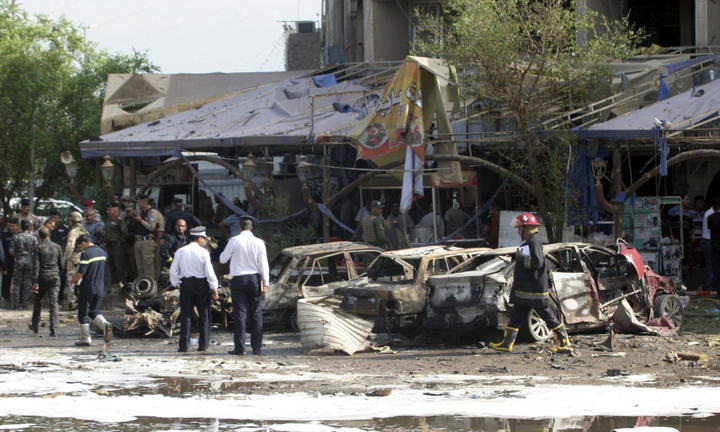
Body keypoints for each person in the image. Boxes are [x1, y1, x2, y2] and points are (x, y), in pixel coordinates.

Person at [489, 213, 571, 353]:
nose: (518, 231)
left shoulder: (533, 242)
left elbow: (537, 263)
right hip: (525, 291)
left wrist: (521, 257)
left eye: (519, 229)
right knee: (516, 316)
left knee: (547, 315)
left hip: (533, 291)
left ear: (526, 229)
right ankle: (506, 344)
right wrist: (518, 256)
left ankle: (564, 341)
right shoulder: (528, 243)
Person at [220, 218, 269, 355]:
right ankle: (257, 348)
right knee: (256, 313)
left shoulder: (234, 240)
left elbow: (222, 259)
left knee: (240, 314)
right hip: (254, 279)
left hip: (238, 279)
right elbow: (263, 263)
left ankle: (240, 348)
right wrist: (265, 282)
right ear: (251, 228)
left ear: (240, 228)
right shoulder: (259, 242)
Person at [169, 226, 219, 352]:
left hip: (186, 284)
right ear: (199, 238)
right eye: (204, 238)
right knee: (204, 316)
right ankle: (203, 345)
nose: (204, 241)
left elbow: (173, 271)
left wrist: (177, 284)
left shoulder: (180, 251)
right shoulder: (204, 252)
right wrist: (214, 288)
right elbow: (209, 273)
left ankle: (183, 346)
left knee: (186, 316)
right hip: (201, 285)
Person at [69, 234, 112, 346]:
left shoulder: (86, 254)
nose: (81, 248)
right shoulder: (102, 252)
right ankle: (105, 325)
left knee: (82, 313)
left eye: (80, 246)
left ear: (84, 242)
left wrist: (73, 281)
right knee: (93, 311)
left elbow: (81, 272)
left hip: (88, 286)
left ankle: (86, 338)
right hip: (100, 287)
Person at [30, 228, 63, 336]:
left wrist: (34, 281)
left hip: (42, 276)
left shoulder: (38, 247)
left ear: (39, 236)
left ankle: (35, 326)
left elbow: (36, 265)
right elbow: (62, 265)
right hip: (54, 276)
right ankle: (54, 329)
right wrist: (58, 274)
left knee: (37, 301)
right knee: (53, 303)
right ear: (50, 235)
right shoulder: (57, 247)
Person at [129, 195, 165, 279]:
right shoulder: (141, 213)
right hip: (138, 240)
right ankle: (143, 284)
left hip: (147, 241)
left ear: (143, 202)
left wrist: (141, 220)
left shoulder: (152, 212)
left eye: (138, 202)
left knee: (147, 267)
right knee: (140, 267)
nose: (137, 204)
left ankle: (150, 284)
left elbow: (151, 227)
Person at [9, 219, 39, 309]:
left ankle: (16, 305)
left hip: (18, 261)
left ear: (20, 226)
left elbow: (11, 251)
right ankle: (25, 304)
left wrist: (18, 255)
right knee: (27, 283)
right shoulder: (33, 238)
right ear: (29, 227)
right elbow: (36, 252)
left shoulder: (15, 237)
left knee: (17, 283)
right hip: (29, 261)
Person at [64, 211, 88, 309]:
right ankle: (82, 302)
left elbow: (70, 246)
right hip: (84, 257)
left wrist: (65, 259)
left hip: (74, 258)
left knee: (71, 280)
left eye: (70, 220)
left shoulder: (73, 231)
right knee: (81, 280)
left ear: (73, 220)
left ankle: (72, 303)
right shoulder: (84, 230)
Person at [104, 203, 127, 290]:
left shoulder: (119, 220)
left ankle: (122, 285)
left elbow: (125, 233)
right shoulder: (108, 220)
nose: (108, 211)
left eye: (109, 210)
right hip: (109, 246)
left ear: (114, 211)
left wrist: (119, 242)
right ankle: (115, 285)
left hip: (117, 246)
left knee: (118, 266)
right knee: (112, 266)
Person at [0, 218, 18, 307]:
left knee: (18, 283)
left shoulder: (20, 236)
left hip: (19, 264)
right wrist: (3, 266)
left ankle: (17, 301)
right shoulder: (3, 236)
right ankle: (5, 300)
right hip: (7, 264)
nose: (11, 228)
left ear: (17, 226)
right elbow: (1, 252)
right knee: (6, 282)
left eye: (13, 226)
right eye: (10, 226)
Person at [701, 197, 718, 292]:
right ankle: (708, 287)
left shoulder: (709, 213)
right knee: (711, 265)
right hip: (708, 241)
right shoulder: (710, 214)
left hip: (708, 241)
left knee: (711, 265)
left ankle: (711, 286)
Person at [707, 199, 720, 297]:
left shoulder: (710, 217)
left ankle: (717, 289)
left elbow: (709, 228)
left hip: (714, 244)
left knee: (716, 267)